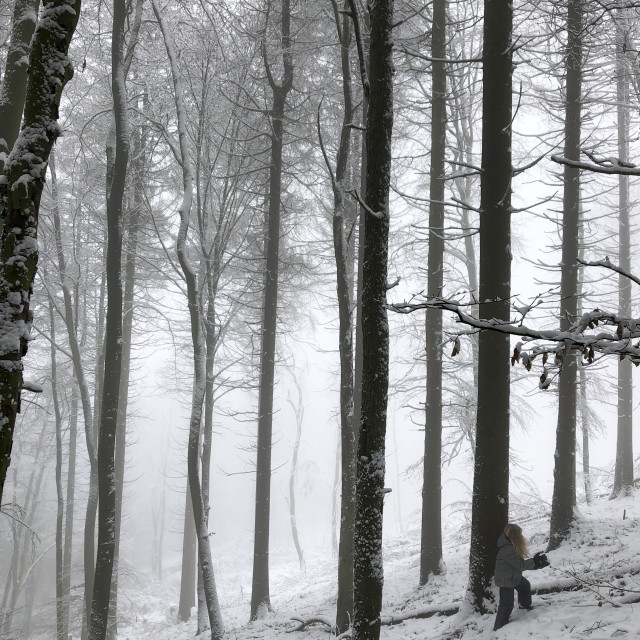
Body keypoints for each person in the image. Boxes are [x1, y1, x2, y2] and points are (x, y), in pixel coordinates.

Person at [493, 523, 549, 631]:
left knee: (524, 586)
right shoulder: (507, 549)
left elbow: (518, 565)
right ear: (515, 536)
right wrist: (535, 562)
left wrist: (537, 565)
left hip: (513, 576)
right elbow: (520, 565)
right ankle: (498, 627)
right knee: (507, 604)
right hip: (506, 580)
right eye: (520, 534)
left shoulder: (510, 546)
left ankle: (524, 606)